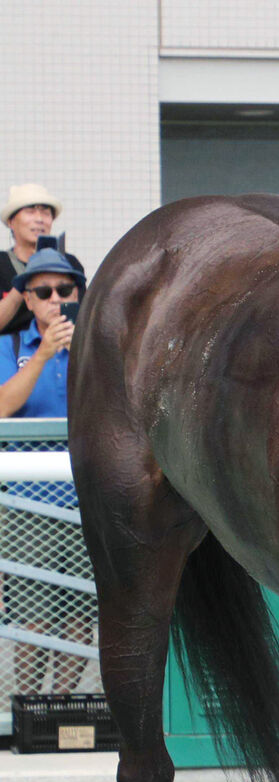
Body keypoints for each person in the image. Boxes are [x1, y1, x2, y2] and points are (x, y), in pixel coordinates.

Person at [0, 243, 91, 691]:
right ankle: (31, 710)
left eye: (65, 289)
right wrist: (42, 355)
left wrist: (80, 356)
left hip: (85, 500)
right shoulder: (10, 345)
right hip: (26, 505)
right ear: (28, 298)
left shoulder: (96, 347)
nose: (56, 299)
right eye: (44, 291)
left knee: (79, 612)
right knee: (31, 616)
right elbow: (1, 407)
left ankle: (63, 709)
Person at [0, 183, 84, 336]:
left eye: (46, 213)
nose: (39, 219)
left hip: (62, 350)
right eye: (30, 212)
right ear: (11, 222)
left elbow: (81, 318)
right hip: (9, 355)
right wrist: (26, 280)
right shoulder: (2, 263)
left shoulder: (69, 264)